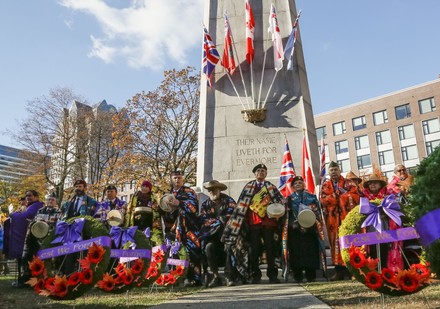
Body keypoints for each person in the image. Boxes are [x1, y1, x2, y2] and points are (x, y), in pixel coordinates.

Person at [232, 163, 284, 284]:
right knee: (254, 250)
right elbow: (242, 205)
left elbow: (279, 202)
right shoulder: (249, 187)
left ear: (266, 174)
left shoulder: (271, 187)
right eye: (258, 170)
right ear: (255, 173)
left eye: (263, 171)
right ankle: (255, 275)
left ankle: (273, 275)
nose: (261, 172)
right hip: (253, 223)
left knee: (270, 249)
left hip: (269, 223)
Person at [320, 161, 360, 281]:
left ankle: (352, 271)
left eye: (335, 170)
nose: (334, 172)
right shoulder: (326, 185)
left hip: (346, 218)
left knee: (350, 243)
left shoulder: (349, 183)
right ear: (329, 172)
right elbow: (323, 200)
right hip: (333, 221)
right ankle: (339, 271)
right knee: (335, 244)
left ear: (340, 170)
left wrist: (341, 197)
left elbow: (356, 196)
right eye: (331, 170)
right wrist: (338, 195)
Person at [167, 170, 202, 286]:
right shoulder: (168, 193)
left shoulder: (189, 192)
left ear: (183, 179)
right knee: (174, 252)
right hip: (173, 228)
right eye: (175, 178)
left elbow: (194, 208)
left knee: (192, 253)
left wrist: (179, 203)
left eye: (179, 178)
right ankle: (176, 278)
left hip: (189, 227)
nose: (177, 180)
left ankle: (194, 279)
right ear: (171, 179)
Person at [286, 176, 325, 283]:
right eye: (295, 183)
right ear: (293, 186)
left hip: (310, 229)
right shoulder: (288, 199)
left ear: (304, 184)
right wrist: (292, 224)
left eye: (300, 182)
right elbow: (286, 216)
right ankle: (297, 275)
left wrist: (309, 223)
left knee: (310, 252)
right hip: (295, 230)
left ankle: (310, 275)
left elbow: (317, 213)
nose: (298, 184)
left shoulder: (311, 197)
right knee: (295, 252)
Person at [199, 180, 236, 287]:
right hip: (212, 236)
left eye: (215, 190)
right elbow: (203, 220)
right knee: (208, 248)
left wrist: (215, 221)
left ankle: (229, 276)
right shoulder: (206, 204)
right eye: (210, 190)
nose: (212, 192)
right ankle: (215, 276)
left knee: (229, 247)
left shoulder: (229, 200)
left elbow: (233, 216)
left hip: (228, 234)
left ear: (219, 190)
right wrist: (220, 221)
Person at [5, 190, 43, 287]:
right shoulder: (28, 206)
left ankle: (26, 282)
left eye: (30, 195)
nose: (27, 197)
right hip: (24, 238)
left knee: (26, 260)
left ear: (36, 197)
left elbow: (25, 216)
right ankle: (24, 281)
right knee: (22, 260)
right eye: (26, 196)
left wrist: (12, 213)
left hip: (32, 239)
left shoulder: (37, 206)